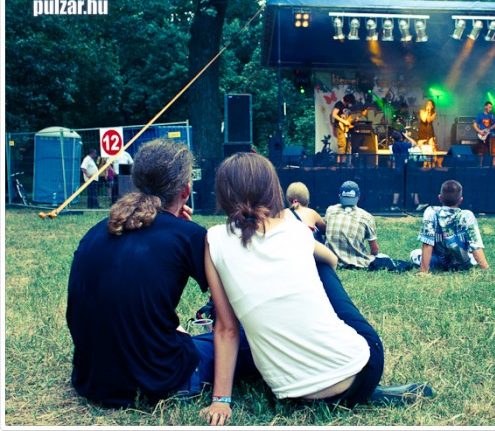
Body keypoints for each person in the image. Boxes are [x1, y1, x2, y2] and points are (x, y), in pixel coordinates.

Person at [199, 154, 431, 425]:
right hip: (361, 371)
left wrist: (221, 400)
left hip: (292, 394)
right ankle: (361, 387)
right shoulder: (294, 228)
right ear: (271, 187)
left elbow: (226, 329)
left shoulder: (214, 240)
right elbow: (332, 260)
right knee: (321, 264)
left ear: (224, 193)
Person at [67, 139, 218, 408]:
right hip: (158, 380)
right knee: (242, 340)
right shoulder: (188, 235)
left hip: (91, 379)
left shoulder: (97, 230)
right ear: (186, 189)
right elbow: (226, 303)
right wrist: (186, 231)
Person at [325, 181, 412, 271]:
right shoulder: (366, 216)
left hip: (329, 260)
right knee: (391, 262)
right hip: (357, 262)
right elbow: (374, 250)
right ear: (358, 197)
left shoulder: (330, 210)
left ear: (339, 196)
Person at [410, 180, 489, 273]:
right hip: (462, 263)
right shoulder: (467, 215)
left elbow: (427, 242)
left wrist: (423, 271)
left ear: (440, 198)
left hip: (438, 261)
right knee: (471, 257)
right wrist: (486, 269)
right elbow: (475, 244)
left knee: (414, 254)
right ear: (460, 200)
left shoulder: (431, 212)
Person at [388, 130, 425, 212]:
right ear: (401, 137)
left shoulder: (394, 145)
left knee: (397, 187)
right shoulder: (403, 144)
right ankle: (417, 204)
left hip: (398, 169)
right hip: (405, 168)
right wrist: (407, 137)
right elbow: (414, 143)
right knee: (411, 186)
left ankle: (394, 205)